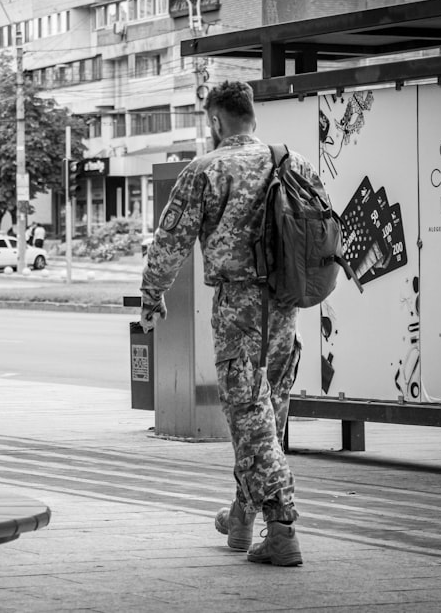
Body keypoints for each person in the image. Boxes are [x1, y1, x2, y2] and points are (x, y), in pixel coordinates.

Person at [139, 80, 306, 567]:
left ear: (216, 120)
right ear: (251, 115)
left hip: (238, 307)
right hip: (286, 306)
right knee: (266, 415)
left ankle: (282, 528)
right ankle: (241, 516)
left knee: (250, 419)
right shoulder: (290, 160)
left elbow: (171, 240)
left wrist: (152, 294)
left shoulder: (207, 168)